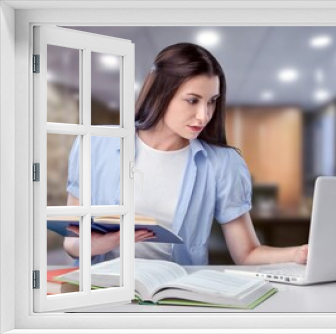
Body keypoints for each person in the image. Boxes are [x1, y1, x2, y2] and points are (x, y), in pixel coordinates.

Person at [63, 42, 308, 266]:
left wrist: (298, 254)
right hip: (103, 290)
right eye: (192, 100)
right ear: (161, 93)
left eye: (212, 101)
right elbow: (71, 243)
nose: (204, 115)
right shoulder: (95, 143)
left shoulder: (222, 163)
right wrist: (104, 243)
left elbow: (247, 253)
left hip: (174, 294)